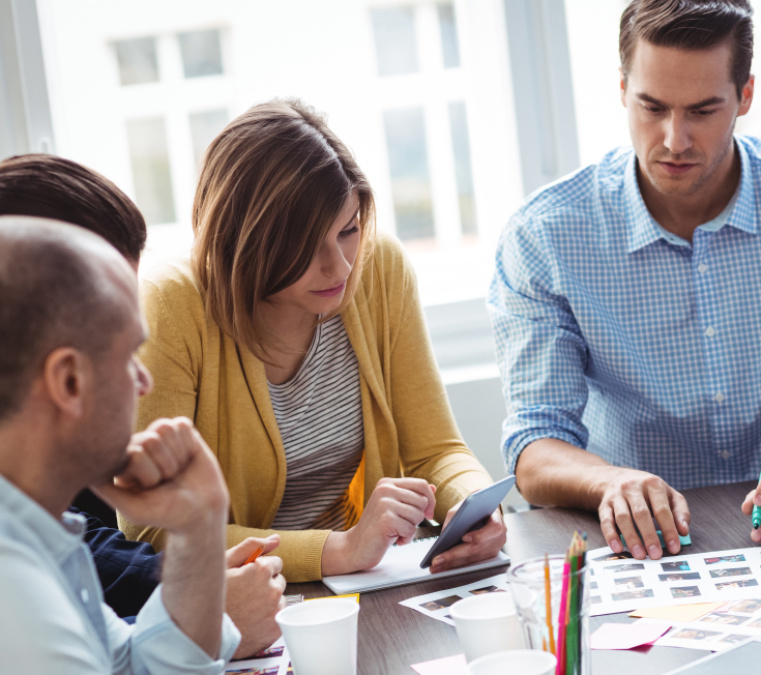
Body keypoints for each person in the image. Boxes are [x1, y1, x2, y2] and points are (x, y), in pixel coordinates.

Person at [489, 0, 761, 560]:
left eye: (703, 111)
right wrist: (611, 483)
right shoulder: (545, 236)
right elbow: (534, 441)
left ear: (745, 95)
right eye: (652, 107)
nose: (675, 139)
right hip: (637, 546)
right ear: (623, 88)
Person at [124, 100, 506, 582]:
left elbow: (436, 450)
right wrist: (339, 550)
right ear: (244, 243)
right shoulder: (170, 304)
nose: (341, 267)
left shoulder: (378, 264)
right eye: (307, 248)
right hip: (247, 600)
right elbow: (152, 531)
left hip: (365, 580)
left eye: (347, 231)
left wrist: (474, 506)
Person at [0, 153, 287, 657]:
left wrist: (200, 530)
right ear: (68, 379)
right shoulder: (15, 591)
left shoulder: (42, 532)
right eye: (129, 352)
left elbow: (134, 665)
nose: (145, 381)